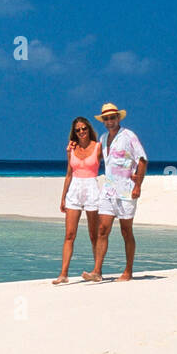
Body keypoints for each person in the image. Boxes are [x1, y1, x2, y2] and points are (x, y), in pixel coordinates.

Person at [83, 103, 147, 282]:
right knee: (102, 229)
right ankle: (97, 271)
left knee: (126, 231)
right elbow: (91, 155)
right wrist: (74, 146)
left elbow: (142, 160)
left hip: (126, 191)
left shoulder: (129, 136)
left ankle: (128, 272)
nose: (109, 121)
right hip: (108, 191)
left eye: (112, 117)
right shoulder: (103, 139)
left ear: (118, 118)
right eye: (106, 118)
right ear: (103, 121)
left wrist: (138, 185)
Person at [52, 116, 101, 284]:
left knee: (93, 235)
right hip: (74, 190)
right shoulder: (71, 149)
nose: (81, 132)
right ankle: (63, 274)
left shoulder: (98, 147)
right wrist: (63, 197)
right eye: (78, 130)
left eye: (84, 128)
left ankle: (97, 271)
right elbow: (68, 174)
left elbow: (112, 163)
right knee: (69, 234)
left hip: (92, 189)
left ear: (89, 129)